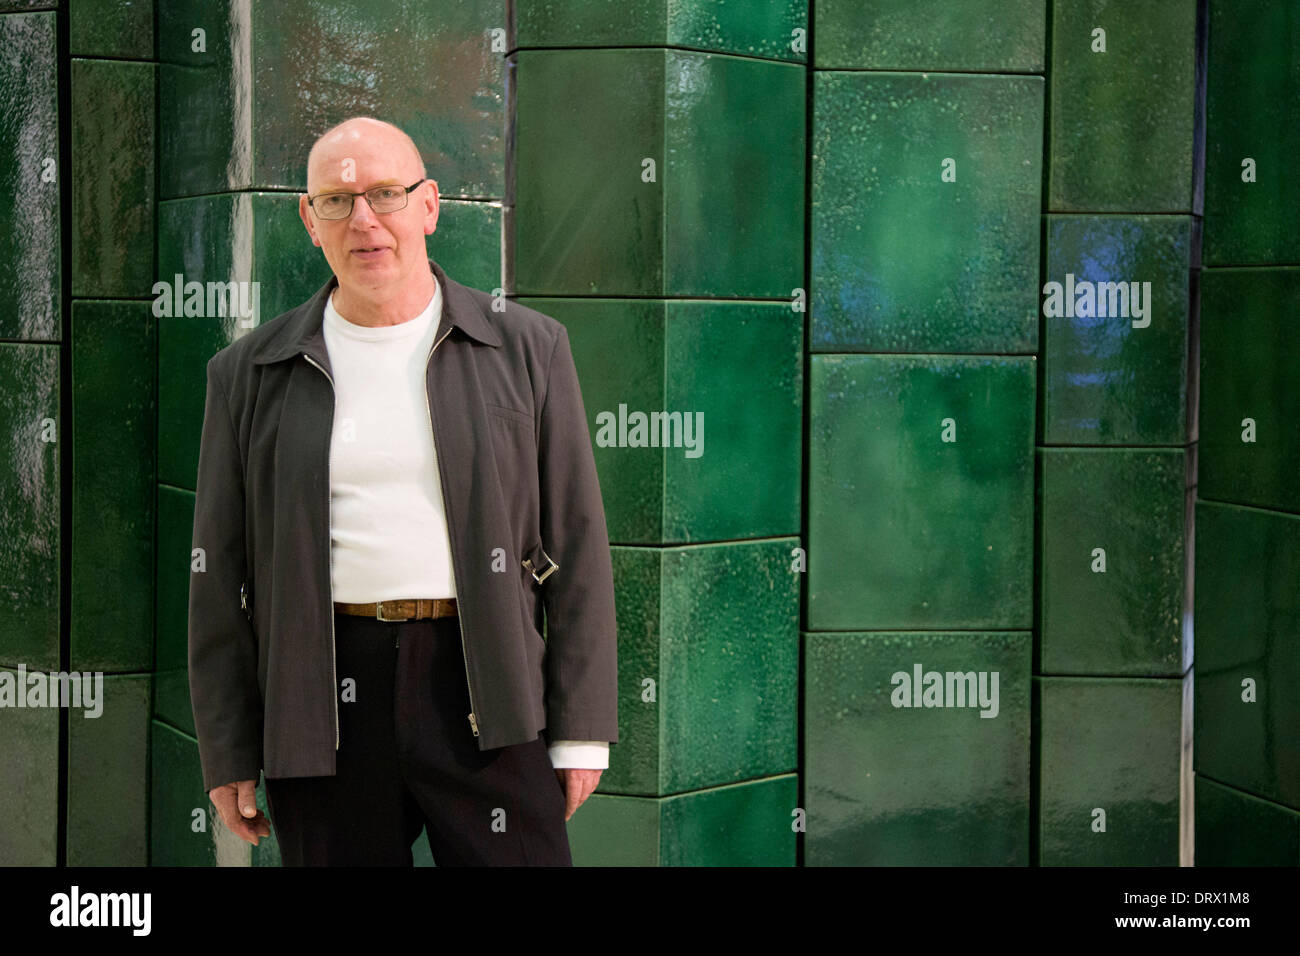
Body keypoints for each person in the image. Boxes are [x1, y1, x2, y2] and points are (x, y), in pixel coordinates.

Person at [187, 116, 619, 865]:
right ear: (309, 220)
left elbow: (577, 548)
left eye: (386, 194)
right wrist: (227, 749)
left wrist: (581, 729)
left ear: (429, 205)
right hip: (321, 696)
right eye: (337, 200)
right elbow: (218, 580)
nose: (364, 220)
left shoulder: (526, 346)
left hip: (487, 681)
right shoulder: (247, 374)